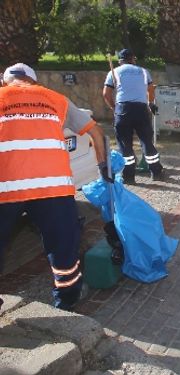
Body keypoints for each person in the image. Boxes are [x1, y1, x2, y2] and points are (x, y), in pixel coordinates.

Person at [0, 63, 109, 310]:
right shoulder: (55, 98)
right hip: (53, 187)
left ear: (7, 82)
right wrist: (104, 168)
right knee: (63, 246)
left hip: (6, 185)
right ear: (34, 82)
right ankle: (67, 301)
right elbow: (97, 133)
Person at [103, 48, 163, 184]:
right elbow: (151, 89)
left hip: (123, 109)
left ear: (120, 61)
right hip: (141, 109)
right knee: (147, 141)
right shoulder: (143, 71)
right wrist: (150, 103)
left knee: (125, 144)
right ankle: (156, 172)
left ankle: (129, 177)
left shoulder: (114, 72)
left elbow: (106, 94)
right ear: (133, 59)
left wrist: (114, 107)